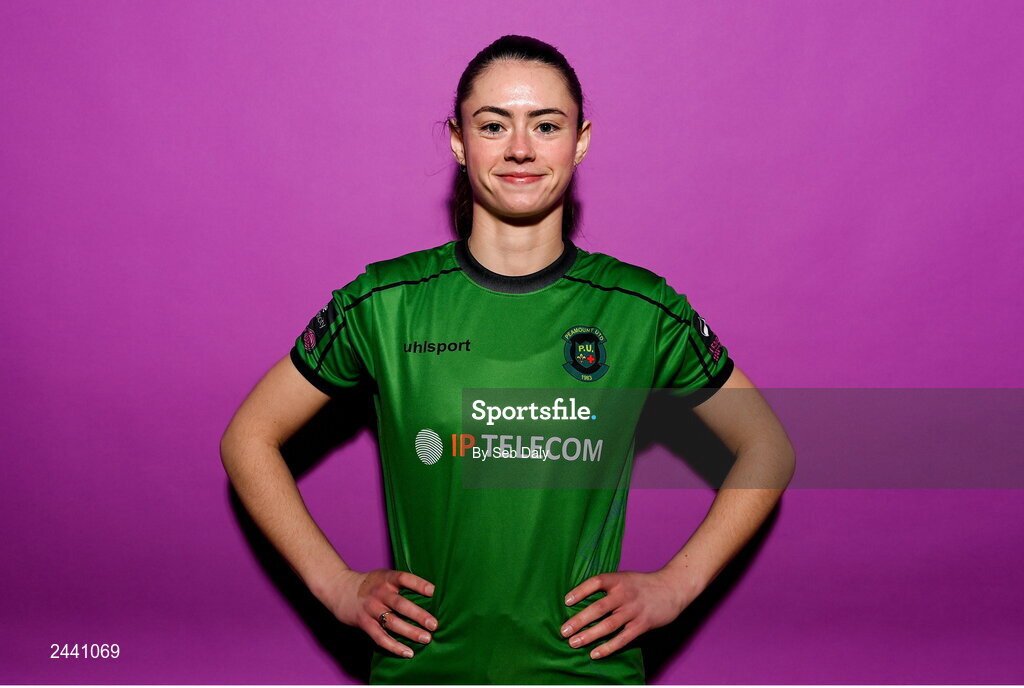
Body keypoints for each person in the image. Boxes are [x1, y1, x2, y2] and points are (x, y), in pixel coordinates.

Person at [220, 34, 796, 685]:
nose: (520, 147)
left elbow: (767, 446)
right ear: (459, 141)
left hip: (588, 674)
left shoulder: (641, 308)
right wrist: (335, 586)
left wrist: (677, 585)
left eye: (545, 125)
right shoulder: (383, 303)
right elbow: (249, 436)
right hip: (423, 672)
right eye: (494, 124)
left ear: (579, 140)